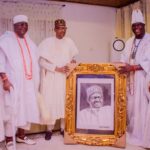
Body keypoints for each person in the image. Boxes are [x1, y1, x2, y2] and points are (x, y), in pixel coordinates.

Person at [0, 15, 40, 150]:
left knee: (27, 108)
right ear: (14, 26)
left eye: (25, 24)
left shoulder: (30, 42)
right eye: (20, 24)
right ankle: (9, 139)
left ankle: (21, 136)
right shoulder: (6, 40)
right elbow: (0, 62)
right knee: (12, 109)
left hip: (28, 83)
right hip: (13, 83)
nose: (23, 27)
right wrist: (5, 80)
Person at [38, 19, 79, 140]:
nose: (62, 31)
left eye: (64, 28)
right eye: (60, 28)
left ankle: (63, 128)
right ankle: (49, 130)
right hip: (52, 77)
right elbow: (41, 62)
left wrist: (72, 63)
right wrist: (56, 68)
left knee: (65, 102)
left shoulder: (69, 42)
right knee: (51, 102)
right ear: (55, 29)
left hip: (65, 77)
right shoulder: (47, 42)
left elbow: (72, 59)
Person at [118, 9, 150, 148]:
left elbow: (148, 62)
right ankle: (132, 132)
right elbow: (123, 59)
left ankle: (143, 136)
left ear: (144, 25)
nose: (137, 28)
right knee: (131, 107)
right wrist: (120, 67)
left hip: (143, 79)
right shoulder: (129, 41)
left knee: (141, 107)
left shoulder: (149, 40)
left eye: (139, 25)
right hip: (130, 80)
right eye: (134, 25)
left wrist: (131, 68)